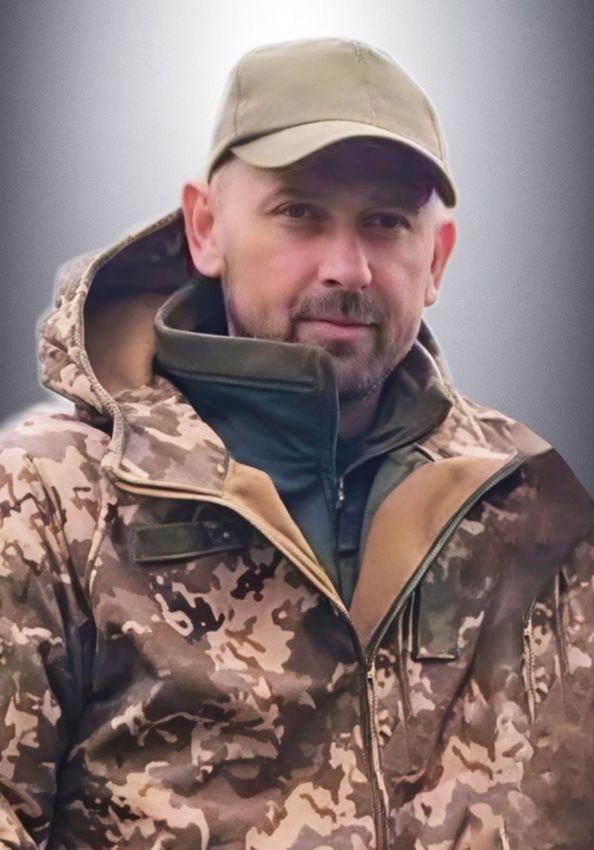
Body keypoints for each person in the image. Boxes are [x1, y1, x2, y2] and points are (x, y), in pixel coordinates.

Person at [0, 36, 592, 850]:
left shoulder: (533, 505)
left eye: (386, 222)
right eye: (299, 213)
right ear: (206, 227)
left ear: (438, 259)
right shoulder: (50, 500)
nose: (348, 268)